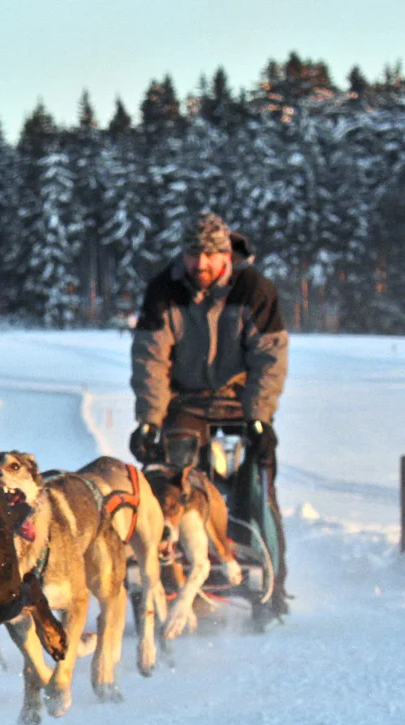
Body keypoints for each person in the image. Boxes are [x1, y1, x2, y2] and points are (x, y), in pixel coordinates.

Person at [128, 212, 289, 622]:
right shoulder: (163, 291)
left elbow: (269, 357)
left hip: (240, 400)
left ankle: (274, 586)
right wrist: (150, 418)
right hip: (185, 402)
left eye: (209, 257)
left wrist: (260, 417)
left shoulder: (254, 289)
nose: (200, 265)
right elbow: (151, 358)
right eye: (192, 255)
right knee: (174, 477)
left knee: (258, 484)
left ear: (226, 255)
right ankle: (170, 568)